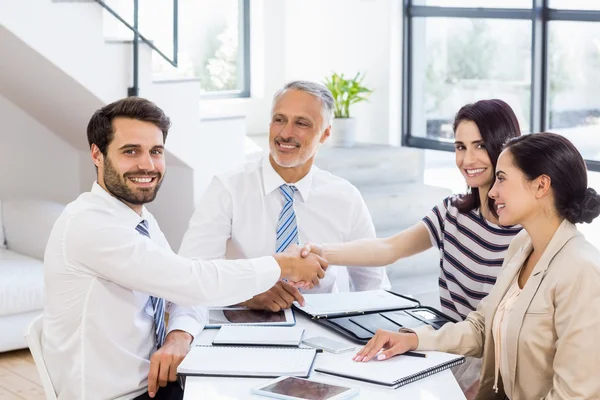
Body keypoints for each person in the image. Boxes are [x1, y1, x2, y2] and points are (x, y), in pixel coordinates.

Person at [41, 97, 327, 400]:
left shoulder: (137, 218)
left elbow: (181, 289)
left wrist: (179, 335)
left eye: (156, 152)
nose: (147, 165)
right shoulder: (91, 226)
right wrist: (282, 265)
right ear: (97, 155)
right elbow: (193, 281)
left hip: (157, 384)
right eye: (130, 152)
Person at [354, 132, 600, 400]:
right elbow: (482, 326)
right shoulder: (521, 245)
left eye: (502, 178)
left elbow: (576, 394)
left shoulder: (581, 271)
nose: (492, 191)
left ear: (541, 186)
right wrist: (413, 339)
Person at [301, 99, 523, 395]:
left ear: (504, 148)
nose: (468, 159)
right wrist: (319, 252)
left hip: (488, 361)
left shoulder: (523, 232)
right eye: (460, 147)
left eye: (480, 146)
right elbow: (389, 248)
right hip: (440, 347)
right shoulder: (452, 211)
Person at [178, 80, 389, 314]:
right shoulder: (228, 188)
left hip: (324, 329)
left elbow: (374, 285)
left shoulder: (345, 197)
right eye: (279, 119)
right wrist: (247, 293)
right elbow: (192, 273)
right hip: (243, 324)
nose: (286, 133)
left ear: (325, 134)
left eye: (302, 123)